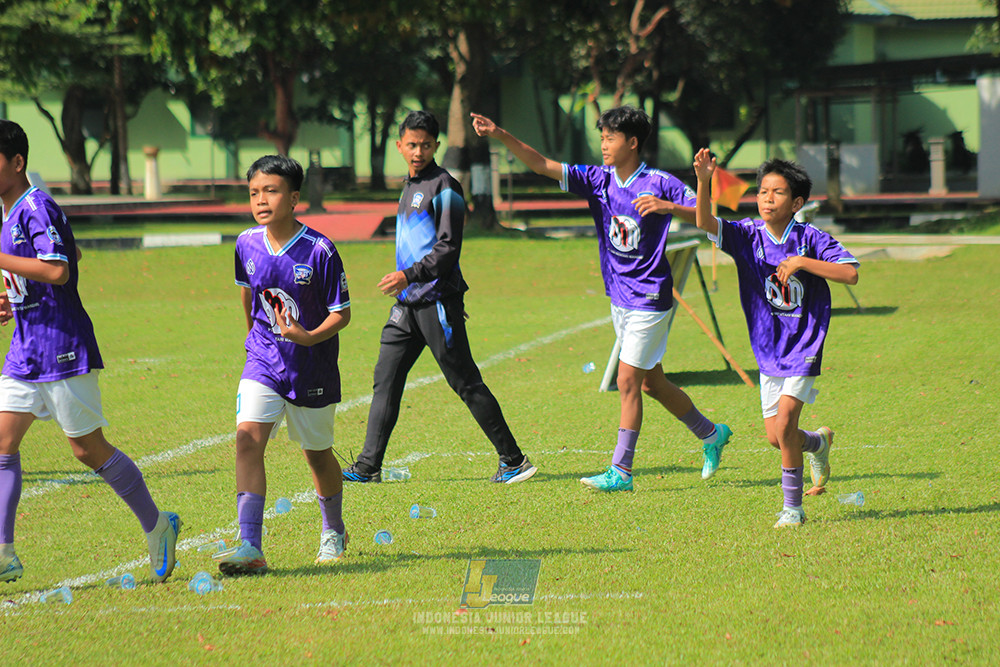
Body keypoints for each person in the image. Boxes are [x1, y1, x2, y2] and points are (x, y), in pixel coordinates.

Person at [472, 107, 731, 492]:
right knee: (651, 384)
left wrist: (669, 206)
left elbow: (705, 216)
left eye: (610, 138)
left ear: (632, 142)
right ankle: (711, 434)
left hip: (650, 296)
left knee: (627, 380)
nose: (604, 145)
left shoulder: (660, 182)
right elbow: (542, 164)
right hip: (619, 297)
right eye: (602, 138)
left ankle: (621, 472)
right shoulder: (597, 180)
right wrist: (500, 134)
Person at [0, 119, 181, 584]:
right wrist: (12, 294)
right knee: (1, 445)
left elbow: (59, 269)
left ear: (16, 162)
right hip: (25, 349)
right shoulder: (9, 211)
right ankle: (3, 552)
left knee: (86, 448)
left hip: (61, 346)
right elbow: (68, 257)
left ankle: (157, 525)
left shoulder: (34, 205)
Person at [342, 110, 536, 484]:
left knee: (464, 380)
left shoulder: (445, 187)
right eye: (412, 144)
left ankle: (513, 460)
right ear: (399, 145)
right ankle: (368, 466)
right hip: (407, 305)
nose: (418, 151)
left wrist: (407, 275)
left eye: (426, 145)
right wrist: (405, 282)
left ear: (436, 146)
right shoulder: (409, 186)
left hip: (437, 301)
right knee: (386, 378)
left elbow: (448, 250)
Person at [692, 149, 859, 528]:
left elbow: (850, 274)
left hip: (804, 344)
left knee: (784, 426)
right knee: (776, 436)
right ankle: (818, 442)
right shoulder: (746, 236)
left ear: (797, 202)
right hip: (768, 350)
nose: (767, 198)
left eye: (777, 192)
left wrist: (802, 262)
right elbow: (704, 221)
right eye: (762, 191)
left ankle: (792, 509)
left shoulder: (811, 238)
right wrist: (703, 181)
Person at [216, 155, 351, 575]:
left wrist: (307, 337)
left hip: (311, 364)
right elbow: (248, 293)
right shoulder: (246, 243)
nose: (261, 200)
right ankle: (250, 545)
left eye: (271, 191)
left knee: (317, 455)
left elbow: (341, 312)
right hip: (263, 359)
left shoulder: (321, 250)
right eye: (254, 192)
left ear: (294, 198)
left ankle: (334, 529)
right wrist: (255, 339)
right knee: (246, 440)